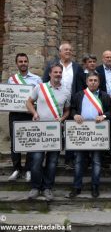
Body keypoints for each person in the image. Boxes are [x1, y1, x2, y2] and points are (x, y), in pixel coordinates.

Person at [26, 63, 71, 200]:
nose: (58, 74)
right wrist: (34, 113)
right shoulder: (40, 88)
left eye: (60, 72)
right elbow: (28, 102)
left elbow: (67, 110)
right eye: (55, 72)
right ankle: (35, 187)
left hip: (55, 131)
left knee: (52, 162)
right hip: (40, 130)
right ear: (50, 74)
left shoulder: (66, 91)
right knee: (37, 160)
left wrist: (62, 118)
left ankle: (47, 188)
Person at [67, 72, 111, 198]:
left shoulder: (104, 96)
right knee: (79, 161)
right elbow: (72, 109)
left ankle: (95, 187)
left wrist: (103, 116)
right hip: (82, 133)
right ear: (86, 82)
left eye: (95, 80)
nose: (93, 82)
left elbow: (110, 112)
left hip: (97, 134)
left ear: (99, 82)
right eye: (90, 80)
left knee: (97, 162)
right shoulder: (78, 95)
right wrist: (75, 115)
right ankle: (76, 187)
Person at [43, 43, 83, 168]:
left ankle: (69, 159)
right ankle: (50, 158)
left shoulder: (77, 67)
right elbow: (45, 82)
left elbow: (81, 86)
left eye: (70, 50)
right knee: (53, 129)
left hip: (71, 104)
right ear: (60, 52)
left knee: (71, 130)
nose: (68, 51)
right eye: (66, 49)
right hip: (55, 103)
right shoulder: (52, 65)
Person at [7, 53, 42, 182]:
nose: (23, 63)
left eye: (25, 61)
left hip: (30, 114)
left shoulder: (36, 79)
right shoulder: (12, 80)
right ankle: (16, 169)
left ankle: (28, 169)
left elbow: (40, 97)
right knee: (15, 142)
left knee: (30, 142)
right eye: (20, 61)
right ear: (17, 63)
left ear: (28, 63)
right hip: (15, 114)